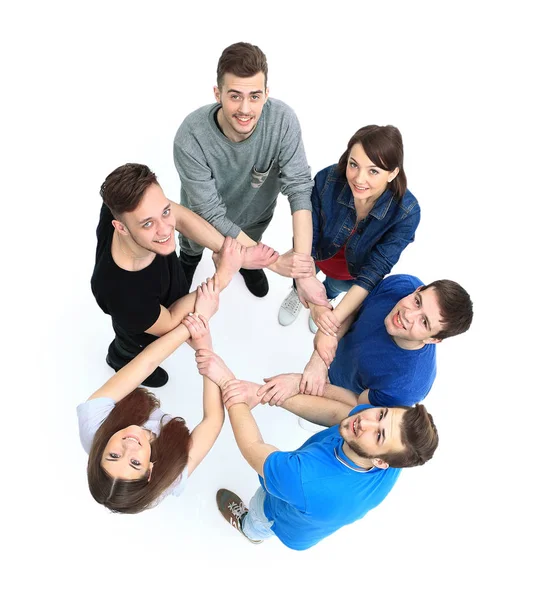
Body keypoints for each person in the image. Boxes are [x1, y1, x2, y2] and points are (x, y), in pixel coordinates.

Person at [193, 349, 439, 550]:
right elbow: (336, 414)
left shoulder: (305, 479)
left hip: (281, 518)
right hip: (315, 508)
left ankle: (250, 527)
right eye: (381, 414)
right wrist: (262, 393)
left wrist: (228, 383)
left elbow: (253, 447)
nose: (365, 421)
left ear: (381, 463)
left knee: (261, 511)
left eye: (378, 434)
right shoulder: (395, 451)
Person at [173, 41, 327, 307]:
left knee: (253, 239)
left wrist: (301, 271)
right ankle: (188, 261)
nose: (245, 109)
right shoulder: (190, 137)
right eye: (234, 96)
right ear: (217, 93)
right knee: (190, 248)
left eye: (254, 96)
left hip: (253, 220)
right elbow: (210, 212)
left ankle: (250, 264)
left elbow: (300, 189)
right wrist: (276, 262)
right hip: (202, 222)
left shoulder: (282, 121)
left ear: (266, 94)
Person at [91, 162, 270, 387]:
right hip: (143, 327)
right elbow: (172, 321)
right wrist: (223, 276)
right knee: (134, 346)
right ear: (121, 228)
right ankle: (120, 358)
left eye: (165, 212)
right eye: (148, 224)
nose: (166, 230)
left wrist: (235, 253)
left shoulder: (119, 205)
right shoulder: (122, 294)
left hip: (167, 287)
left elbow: (182, 218)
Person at [78, 277, 222, 514]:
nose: (130, 447)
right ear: (150, 471)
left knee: (137, 360)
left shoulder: (92, 421)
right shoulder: (171, 475)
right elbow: (213, 420)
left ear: (99, 451)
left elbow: (146, 362)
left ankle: (117, 356)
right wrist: (205, 347)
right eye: (135, 462)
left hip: (128, 401)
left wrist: (195, 323)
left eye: (113, 455)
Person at [278, 125, 420, 334]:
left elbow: (375, 269)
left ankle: (326, 297)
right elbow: (310, 229)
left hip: (350, 273)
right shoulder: (328, 179)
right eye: (354, 165)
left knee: (332, 288)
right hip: (314, 255)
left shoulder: (406, 213)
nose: (359, 179)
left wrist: (330, 317)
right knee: (304, 277)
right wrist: (303, 279)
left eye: (373, 171)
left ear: (393, 174)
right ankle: (299, 292)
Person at [271, 275, 473, 410]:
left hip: (345, 389)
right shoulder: (401, 285)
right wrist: (320, 358)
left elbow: (357, 405)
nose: (408, 315)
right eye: (417, 301)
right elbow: (356, 307)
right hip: (338, 353)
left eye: (424, 321)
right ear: (417, 289)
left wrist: (309, 387)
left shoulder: (408, 386)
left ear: (433, 339)